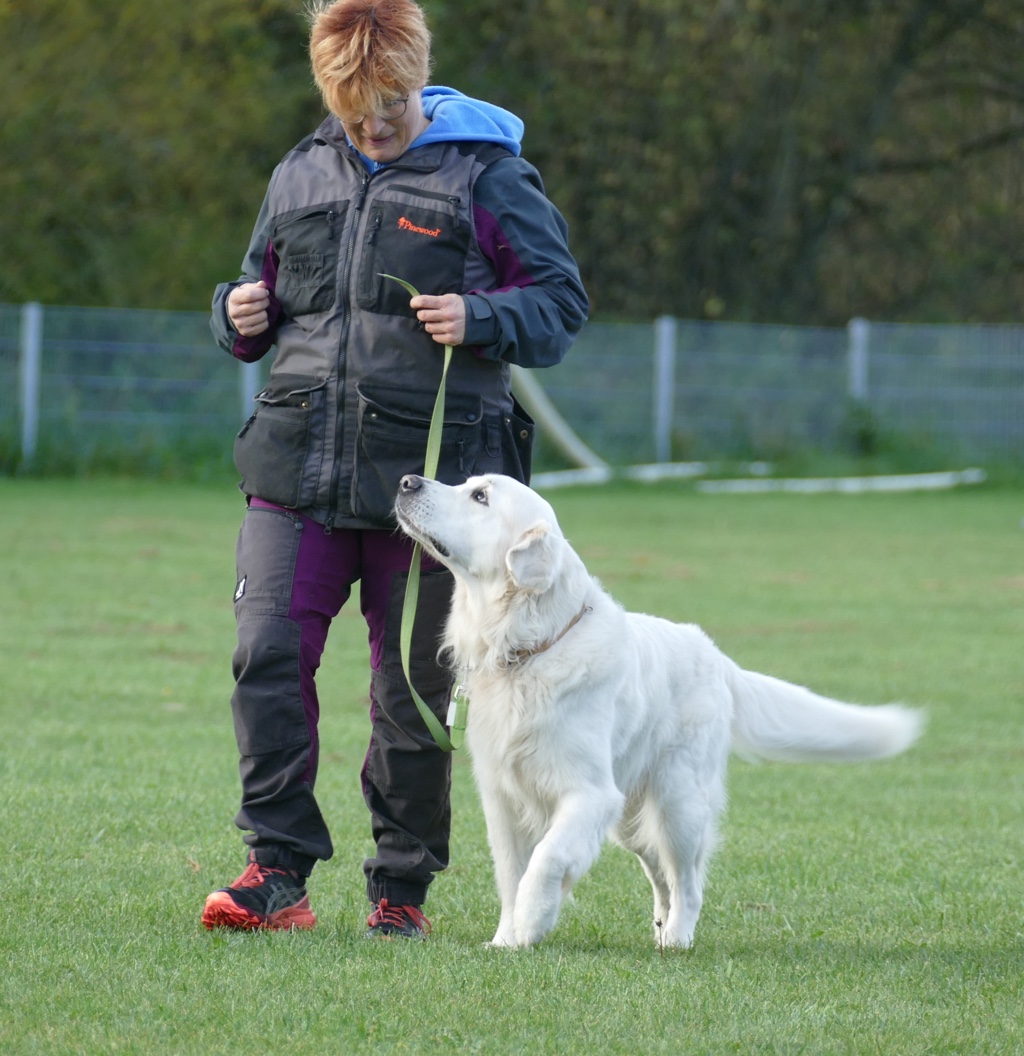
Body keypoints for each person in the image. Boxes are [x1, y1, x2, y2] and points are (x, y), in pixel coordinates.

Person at [202, 0, 587, 937]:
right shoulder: (298, 171)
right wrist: (236, 314)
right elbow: (260, 290)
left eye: (389, 108)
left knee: (409, 691)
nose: (371, 128)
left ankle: (399, 893)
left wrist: (482, 316)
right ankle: (275, 873)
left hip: (435, 485)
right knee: (265, 656)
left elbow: (560, 306)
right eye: (352, 112)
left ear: (418, 80)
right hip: (296, 468)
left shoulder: (487, 176)